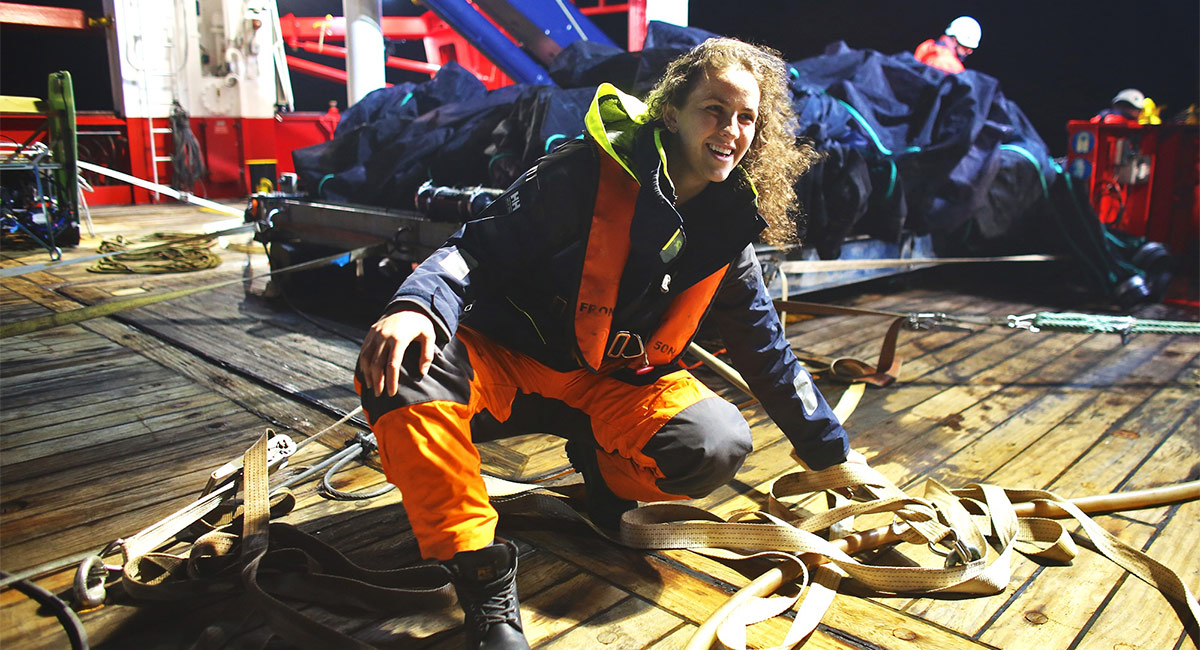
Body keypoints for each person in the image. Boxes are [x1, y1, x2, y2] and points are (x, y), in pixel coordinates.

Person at [356, 37, 856, 650]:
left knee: (716, 442)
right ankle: (482, 578)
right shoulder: (580, 175)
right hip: (509, 362)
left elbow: (765, 348)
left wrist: (830, 450)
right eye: (714, 110)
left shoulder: (730, 231)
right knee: (401, 368)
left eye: (746, 117)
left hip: (611, 385)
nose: (731, 129)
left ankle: (606, 488)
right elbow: (473, 251)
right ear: (671, 111)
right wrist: (413, 306)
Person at [914, 16, 981, 74]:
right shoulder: (954, 67)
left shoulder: (926, 46)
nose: (970, 51)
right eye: (967, 46)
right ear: (955, 40)